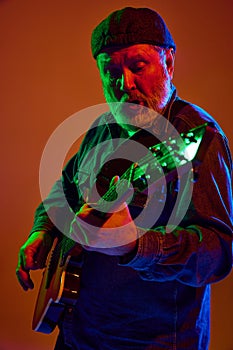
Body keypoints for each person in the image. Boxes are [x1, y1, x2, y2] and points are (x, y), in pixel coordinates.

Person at [16, 7, 232, 350]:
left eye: (138, 66)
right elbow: (66, 188)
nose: (125, 85)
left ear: (169, 62)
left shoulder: (198, 138)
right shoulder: (101, 129)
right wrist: (42, 230)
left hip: (150, 342)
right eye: (111, 71)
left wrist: (137, 245)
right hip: (77, 333)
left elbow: (218, 252)